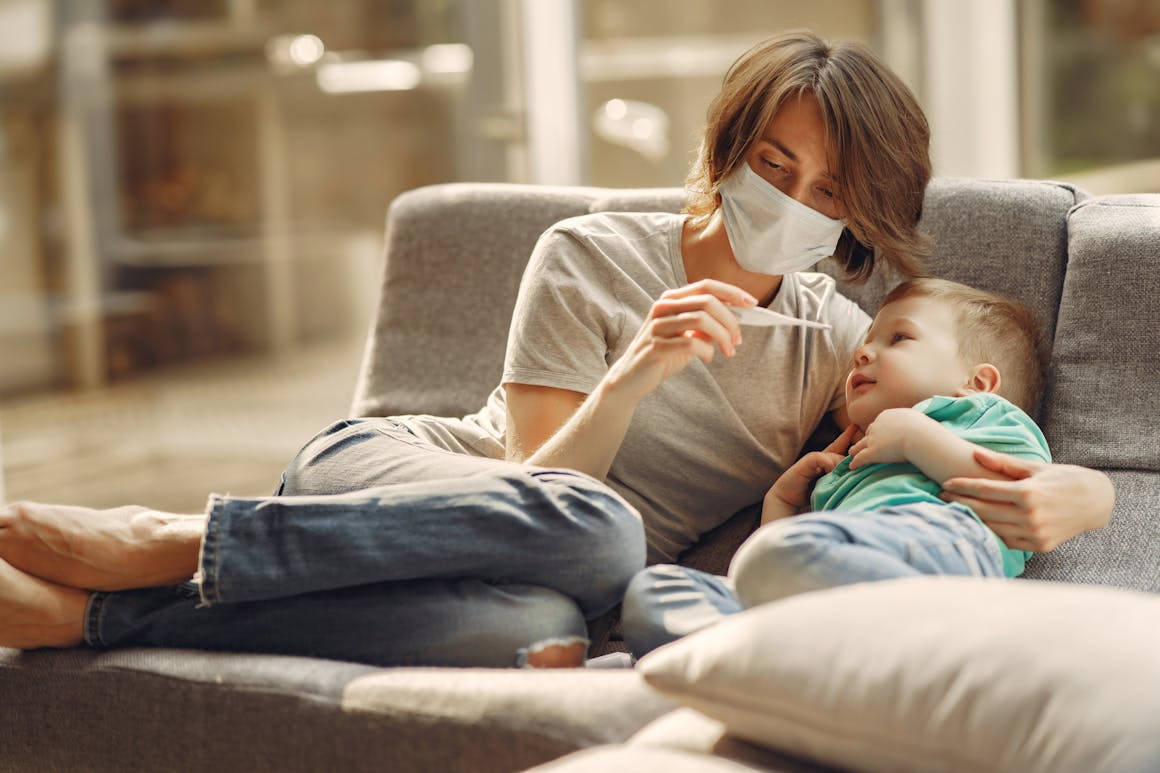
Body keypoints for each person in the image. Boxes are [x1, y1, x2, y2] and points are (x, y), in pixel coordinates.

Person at [0, 31, 1112, 668]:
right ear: (726, 146)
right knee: (597, 527)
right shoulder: (588, 252)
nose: (791, 202)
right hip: (395, 480)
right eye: (772, 165)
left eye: (826, 193)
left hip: (539, 576)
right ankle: (178, 536)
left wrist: (1082, 500)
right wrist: (636, 372)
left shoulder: (838, 345)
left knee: (539, 621)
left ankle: (98, 615)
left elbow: (960, 432)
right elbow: (537, 487)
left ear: (858, 219)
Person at [621, 278, 1079, 658]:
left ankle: (913, 643)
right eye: (865, 342)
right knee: (656, 591)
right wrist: (780, 501)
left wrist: (916, 438)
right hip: (829, 589)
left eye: (899, 338)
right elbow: (785, 563)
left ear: (976, 382)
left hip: (941, 549)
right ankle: (779, 665)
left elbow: (1017, 493)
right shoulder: (848, 460)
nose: (861, 354)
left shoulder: (982, 415)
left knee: (775, 559)